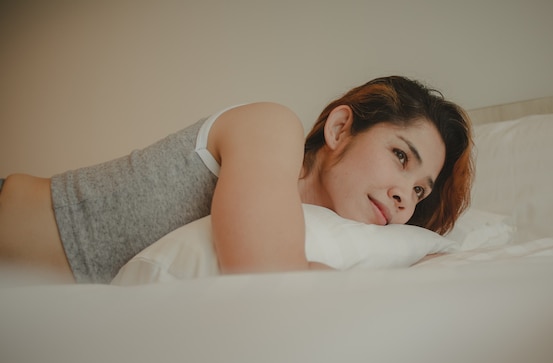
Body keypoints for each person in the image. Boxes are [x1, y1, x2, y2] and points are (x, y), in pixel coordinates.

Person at [0, 75, 474, 284]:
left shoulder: (315, 228)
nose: (402, 199)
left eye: (419, 191)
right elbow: (265, 277)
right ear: (339, 128)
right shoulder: (272, 127)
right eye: (399, 156)